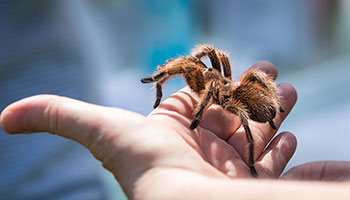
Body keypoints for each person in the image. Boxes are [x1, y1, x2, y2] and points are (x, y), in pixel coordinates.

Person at [1, 62, 349, 199]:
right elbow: (202, 62)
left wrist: (198, 120)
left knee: (242, 83)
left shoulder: (225, 93)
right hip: (247, 99)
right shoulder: (221, 80)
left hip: (247, 103)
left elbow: (237, 100)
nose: (206, 71)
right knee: (206, 63)